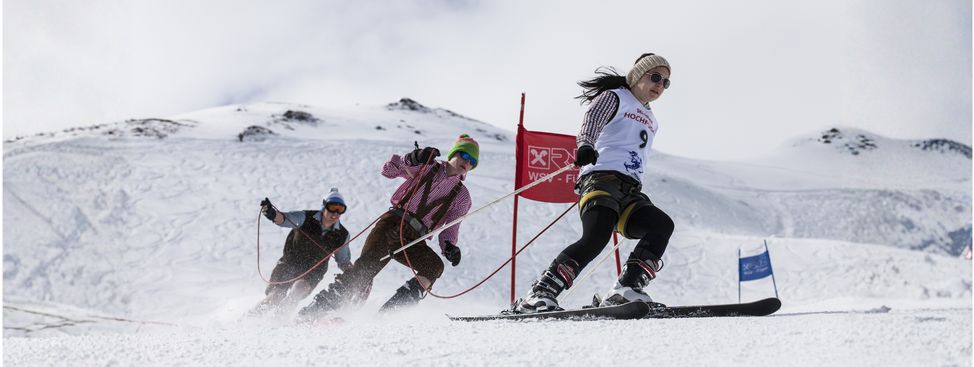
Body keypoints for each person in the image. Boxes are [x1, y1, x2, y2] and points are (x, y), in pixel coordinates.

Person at [515, 53, 676, 313]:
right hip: (601, 179)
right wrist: (586, 144)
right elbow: (592, 119)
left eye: (665, 82)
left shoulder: (651, 118)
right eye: (655, 77)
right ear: (637, 75)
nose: (660, 85)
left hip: (630, 190)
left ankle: (626, 288)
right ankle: (540, 293)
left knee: (661, 225)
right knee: (596, 237)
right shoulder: (616, 97)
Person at [297, 134, 478, 321]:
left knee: (434, 266)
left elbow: (451, 227)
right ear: (454, 153)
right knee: (364, 272)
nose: (467, 163)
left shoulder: (462, 197)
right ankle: (317, 309)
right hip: (392, 223)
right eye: (465, 156)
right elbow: (388, 170)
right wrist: (413, 158)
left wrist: (449, 246)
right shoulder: (427, 166)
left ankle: (390, 314)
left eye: (472, 162)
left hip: (415, 237)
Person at [251, 188, 353, 315]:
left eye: (340, 209)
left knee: (298, 291)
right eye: (332, 207)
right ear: (324, 206)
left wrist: (355, 273)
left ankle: (278, 320)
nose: (335, 213)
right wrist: (272, 214)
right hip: (289, 263)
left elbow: (343, 261)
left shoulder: (342, 235)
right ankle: (250, 318)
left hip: (313, 271)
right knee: (275, 297)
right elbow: (284, 219)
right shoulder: (306, 217)